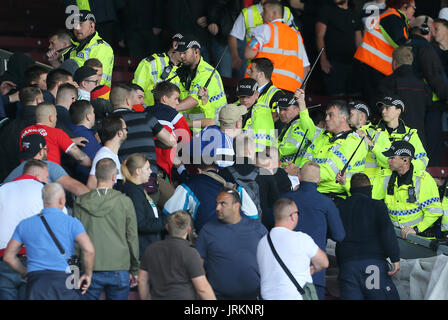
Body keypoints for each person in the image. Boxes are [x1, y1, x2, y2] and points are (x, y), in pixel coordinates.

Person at [3, 183, 95, 300]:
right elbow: (89, 250)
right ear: (61, 200)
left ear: (44, 200)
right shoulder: (72, 223)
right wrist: (88, 274)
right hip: (65, 281)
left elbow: (8, 256)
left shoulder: (24, 224)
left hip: (36, 283)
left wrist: (24, 272)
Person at [74, 158, 139, 300]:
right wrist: (134, 269)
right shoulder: (125, 202)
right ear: (114, 176)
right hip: (120, 267)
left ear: (96, 176)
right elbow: (132, 237)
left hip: (90, 268)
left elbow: (76, 240)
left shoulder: (80, 202)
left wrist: (78, 266)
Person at [282, 161, 345, 299]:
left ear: (299, 176)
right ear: (319, 180)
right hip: (313, 274)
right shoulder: (326, 203)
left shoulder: (284, 199)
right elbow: (339, 236)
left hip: (285, 271)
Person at [336, 173, 400, 300]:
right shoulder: (377, 206)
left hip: (347, 266)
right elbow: (387, 232)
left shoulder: (339, 207)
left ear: (351, 189)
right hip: (372, 267)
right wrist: (395, 258)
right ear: (369, 189)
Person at [294, 89, 368, 199]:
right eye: (326, 115)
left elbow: (330, 172)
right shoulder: (323, 137)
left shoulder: (353, 141)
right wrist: (301, 103)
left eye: (330, 115)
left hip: (334, 198)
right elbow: (306, 160)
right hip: (312, 191)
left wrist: (299, 172)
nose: (326, 119)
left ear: (344, 117)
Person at [195, 187, 268, 299]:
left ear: (237, 205)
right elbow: (197, 267)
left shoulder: (257, 228)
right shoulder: (208, 230)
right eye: (217, 203)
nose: (217, 208)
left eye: (223, 204)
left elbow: (269, 261)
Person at [257, 197, 329, 300]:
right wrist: (310, 270)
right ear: (292, 216)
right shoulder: (301, 238)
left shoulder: (262, 242)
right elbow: (324, 262)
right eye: (297, 213)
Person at [138, 210, 216, 300]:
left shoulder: (150, 249)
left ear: (167, 227)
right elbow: (202, 289)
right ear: (189, 230)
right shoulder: (191, 253)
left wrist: (146, 298)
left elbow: (142, 280)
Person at [372, 141, 443, 239]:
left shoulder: (423, 179)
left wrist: (416, 229)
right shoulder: (384, 175)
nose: (388, 160)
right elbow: (372, 202)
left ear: (405, 160)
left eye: (392, 157)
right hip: (394, 236)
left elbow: (435, 211)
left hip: (420, 239)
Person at [164, 161, 258, 234]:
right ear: (217, 170)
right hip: (237, 234)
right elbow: (253, 214)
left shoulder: (191, 183)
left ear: (199, 171)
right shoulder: (234, 184)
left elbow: (169, 212)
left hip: (207, 236)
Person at [0, 159, 49, 299]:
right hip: (34, 260)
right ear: (38, 177)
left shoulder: (2, 189)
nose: (47, 180)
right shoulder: (45, 191)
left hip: (3, 260)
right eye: (46, 177)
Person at [354, 0, 415, 108]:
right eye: (413, 8)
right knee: (376, 103)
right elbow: (400, 42)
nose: (414, 12)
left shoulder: (393, 16)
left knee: (376, 102)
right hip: (373, 64)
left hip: (373, 63)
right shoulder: (393, 17)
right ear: (405, 6)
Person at [406, 16, 448, 167]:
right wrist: (445, 95)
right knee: (433, 143)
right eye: (432, 29)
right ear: (424, 29)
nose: (433, 33)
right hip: (431, 102)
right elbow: (434, 75)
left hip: (411, 104)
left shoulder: (405, 45)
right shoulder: (425, 47)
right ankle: (434, 178)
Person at [244, 1, 310, 93]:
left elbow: (248, 54)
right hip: (290, 92)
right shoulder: (297, 36)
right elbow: (306, 68)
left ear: (274, 13)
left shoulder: (265, 28)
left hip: (265, 89)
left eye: (264, 11)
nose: (261, 14)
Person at [110, 83, 177, 172]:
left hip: (122, 177)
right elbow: (171, 142)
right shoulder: (146, 117)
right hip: (148, 175)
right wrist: (151, 141)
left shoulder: (106, 122)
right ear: (127, 101)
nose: (143, 102)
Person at [377, 46, 432, 145]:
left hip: (395, 139)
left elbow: (381, 109)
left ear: (394, 62)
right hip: (419, 138)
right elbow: (429, 109)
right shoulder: (423, 85)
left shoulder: (388, 82)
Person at [4, 135, 89, 196]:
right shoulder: (49, 166)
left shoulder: (10, 177)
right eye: (46, 149)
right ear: (41, 151)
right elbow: (77, 188)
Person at [229, 0, 296, 77]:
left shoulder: (286, 12)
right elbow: (234, 35)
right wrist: (235, 56)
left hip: (279, 68)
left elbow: (248, 53)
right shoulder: (248, 13)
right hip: (256, 69)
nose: (261, 15)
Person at [173, 34, 227, 128]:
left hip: (213, 127)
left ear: (196, 52)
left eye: (185, 52)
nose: (181, 56)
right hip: (192, 127)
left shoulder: (207, 72)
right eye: (180, 53)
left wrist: (167, 109)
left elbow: (194, 100)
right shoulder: (183, 70)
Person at [48, 11, 114, 87]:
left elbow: (100, 80)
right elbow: (66, 75)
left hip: (97, 96)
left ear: (92, 25)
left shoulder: (102, 47)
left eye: (80, 24)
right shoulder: (75, 49)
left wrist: (78, 87)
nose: (77, 28)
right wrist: (55, 63)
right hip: (77, 93)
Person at [118, 153, 164, 258]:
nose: (151, 171)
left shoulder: (137, 190)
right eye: (147, 169)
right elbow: (140, 223)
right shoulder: (133, 193)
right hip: (142, 252)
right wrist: (165, 221)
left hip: (147, 249)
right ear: (138, 171)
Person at [19, 103, 91, 169]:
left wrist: (70, 141)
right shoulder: (56, 133)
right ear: (51, 118)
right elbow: (80, 158)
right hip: (49, 174)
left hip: (25, 172)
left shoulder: (24, 132)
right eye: (56, 116)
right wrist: (93, 166)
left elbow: (43, 141)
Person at [146, 81, 192, 181]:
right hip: (163, 164)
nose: (178, 102)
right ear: (164, 99)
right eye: (176, 99)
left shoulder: (145, 111)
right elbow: (186, 140)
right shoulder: (174, 114)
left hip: (142, 160)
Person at [316, 0, 362, 95]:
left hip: (351, 64)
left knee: (354, 97)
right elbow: (319, 36)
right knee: (336, 98)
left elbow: (359, 42)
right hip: (333, 63)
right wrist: (323, 60)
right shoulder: (326, 10)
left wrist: (360, 64)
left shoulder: (354, 14)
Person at [185, 103, 246, 170]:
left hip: (187, 166)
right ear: (238, 124)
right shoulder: (227, 150)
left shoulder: (210, 128)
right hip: (199, 175)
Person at [0, 87, 44, 181]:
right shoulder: (44, 125)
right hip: (37, 179)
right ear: (38, 101)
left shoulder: (7, 127)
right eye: (43, 99)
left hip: (9, 179)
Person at [375, 95, 428, 171]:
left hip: (402, 181)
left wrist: (404, 168)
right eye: (382, 108)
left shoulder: (411, 134)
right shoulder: (372, 131)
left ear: (398, 111)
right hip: (377, 181)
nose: (383, 111)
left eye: (387, 108)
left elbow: (423, 160)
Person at [132, 33, 183, 107]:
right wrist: (144, 116)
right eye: (185, 49)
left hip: (175, 116)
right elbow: (135, 95)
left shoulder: (188, 69)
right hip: (150, 114)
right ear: (175, 45)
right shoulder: (150, 63)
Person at [347, 100, 391, 179]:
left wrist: (371, 144)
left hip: (371, 186)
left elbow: (389, 162)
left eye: (350, 114)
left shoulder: (379, 135)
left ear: (361, 116)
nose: (346, 117)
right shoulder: (344, 134)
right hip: (346, 185)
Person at [87, 114, 127, 189]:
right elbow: (91, 184)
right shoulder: (104, 155)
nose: (127, 132)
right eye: (126, 129)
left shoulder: (109, 154)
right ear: (120, 133)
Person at [206, 0, 244, 78]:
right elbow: (214, 5)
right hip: (223, 37)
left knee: (244, 78)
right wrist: (211, 20)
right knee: (225, 78)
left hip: (242, 37)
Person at [68, 100, 102, 184]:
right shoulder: (86, 138)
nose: (95, 115)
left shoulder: (67, 130)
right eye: (93, 112)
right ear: (88, 116)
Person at [237, 78, 275, 151]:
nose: (245, 100)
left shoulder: (262, 112)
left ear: (257, 95)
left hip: (255, 157)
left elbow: (262, 144)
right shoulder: (235, 107)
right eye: (242, 96)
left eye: (248, 97)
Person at [246, 57, 284, 125]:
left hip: (263, 134)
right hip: (247, 133)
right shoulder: (247, 89)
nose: (248, 73)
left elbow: (278, 123)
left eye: (251, 71)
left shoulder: (277, 95)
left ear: (261, 75)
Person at [276, 91, 308, 165]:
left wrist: (272, 151)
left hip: (294, 172)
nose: (281, 112)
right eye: (280, 109)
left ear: (297, 109)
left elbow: (294, 146)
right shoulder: (289, 125)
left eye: (285, 109)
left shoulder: (301, 124)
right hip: (286, 168)